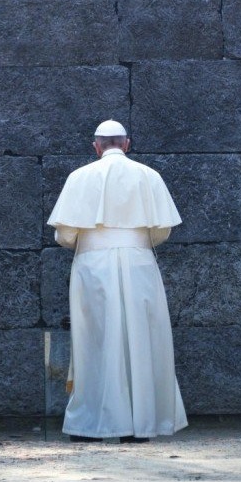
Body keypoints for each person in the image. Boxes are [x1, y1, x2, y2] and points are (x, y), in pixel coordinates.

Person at [47, 119, 188, 443]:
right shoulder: (149, 176)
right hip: (139, 262)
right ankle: (140, 426)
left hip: (92, 265)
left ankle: (90, 426)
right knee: (141, 338)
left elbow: (65, 233)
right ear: (127, 144)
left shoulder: (79, 178)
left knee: (94, 340)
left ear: (96, 146)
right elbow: (161, 231)